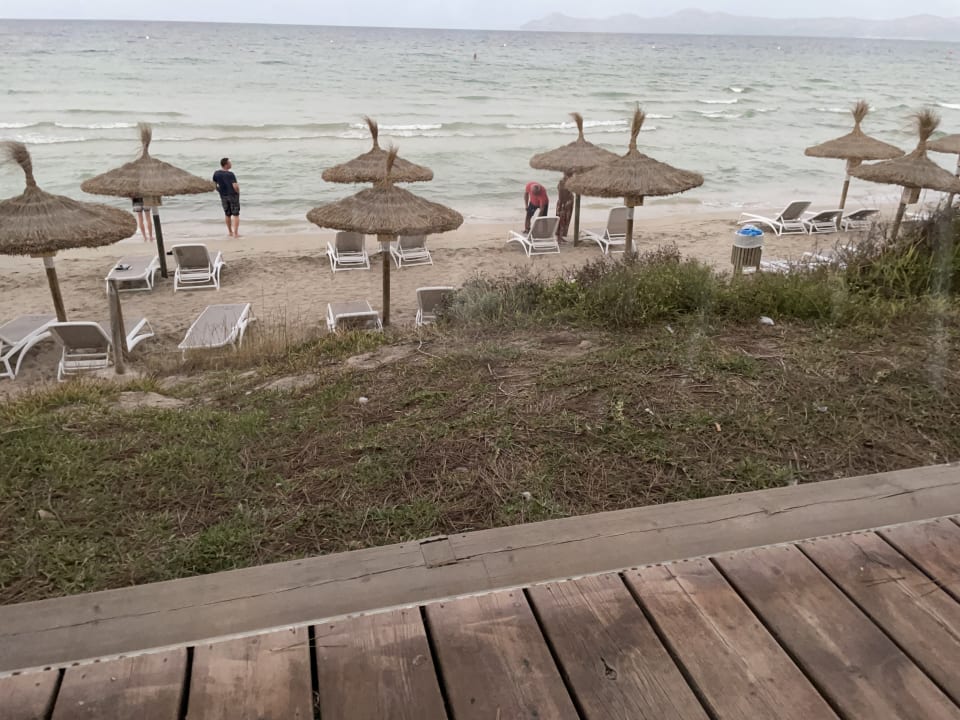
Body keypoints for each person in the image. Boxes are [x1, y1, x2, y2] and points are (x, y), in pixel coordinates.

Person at [213, 157, 240, 237]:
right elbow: (235, 186)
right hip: (232, 195)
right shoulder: (230, 174)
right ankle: (236, 233)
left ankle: (230, 232)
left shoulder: (216, 173)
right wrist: (238, 192)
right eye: (229, 163)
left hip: (223, 195)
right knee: (236, 214)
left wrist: (219, 190)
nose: (231, 164)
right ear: (226, 165)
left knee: (227, 214)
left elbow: (214, 184)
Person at [556, 173, 574, 242]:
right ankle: (559, 237)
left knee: (566, 220)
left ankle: (561, 236)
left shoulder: (569, 182)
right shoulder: (562, 182)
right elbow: (560, 195)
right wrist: (562, 205)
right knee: (562, 220)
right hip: (564, 204)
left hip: (567, 204)